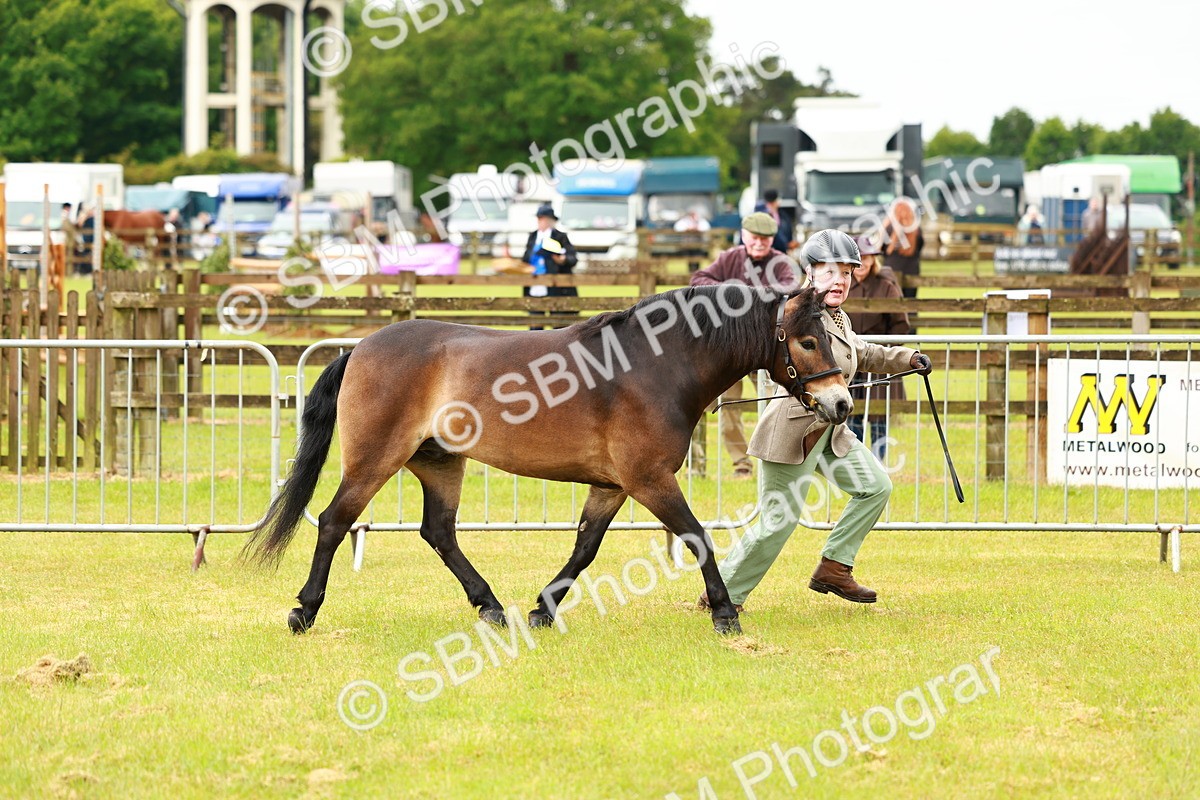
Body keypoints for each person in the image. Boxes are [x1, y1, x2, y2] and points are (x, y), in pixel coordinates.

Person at [699, 229, 932, 611]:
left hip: (831, 433)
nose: (840, 280)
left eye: (846, 272)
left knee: (875, 487)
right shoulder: (798, 315)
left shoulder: (837, 317)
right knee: (778, 522)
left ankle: (834, 567)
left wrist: (908, 358)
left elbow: (862, 351)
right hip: (792, 431)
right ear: (809, 273)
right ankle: (722, 594)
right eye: (830, 271)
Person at [690, 212, 799, 478]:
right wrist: (728, 289)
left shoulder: (782, 262)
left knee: (781, 403)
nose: (759, 243)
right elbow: (698, 280)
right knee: (729, 407)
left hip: (769, 348)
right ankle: (741, 464)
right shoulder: (730, 258)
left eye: (765, 238)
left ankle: (781, 462)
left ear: (772, 239)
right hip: (732, 348)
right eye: (754, 238)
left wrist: (747, 295)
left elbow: (791, 285)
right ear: (744, 235)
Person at [845, 234, 911, 462]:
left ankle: (878, 463)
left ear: (874, 260)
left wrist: (884, 353)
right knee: (852, 414)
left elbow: (901, 324)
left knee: (879, 416)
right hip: (850, 360)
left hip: (878, 362)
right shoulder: (841, 285)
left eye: (868, 257)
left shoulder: (886, 285)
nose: (863, 263)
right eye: (859, 258)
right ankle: (856, 462)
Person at [522, 204, 578, 329]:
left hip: (555, 286)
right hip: (535, 284)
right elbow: (526, 258)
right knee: (535, 324)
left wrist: (562, 260)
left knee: (558, 324)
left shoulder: (560, 237)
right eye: (539, 219)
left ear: (549, 220)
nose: (540, 222)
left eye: (542, 219)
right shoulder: (533, 237)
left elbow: (572, 258)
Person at [880, 197, 923, 299]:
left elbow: (882, 249)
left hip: (891, 270)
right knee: (910, 304)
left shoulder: (888, 228)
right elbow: (920, 248)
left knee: (891, 305)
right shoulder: (916, 231)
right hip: (912, 271)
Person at [754, 189, 795, 253]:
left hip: (782, 250)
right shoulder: (760, 216)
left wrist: (789, 243)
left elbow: (788, 232)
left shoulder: (783, 215)